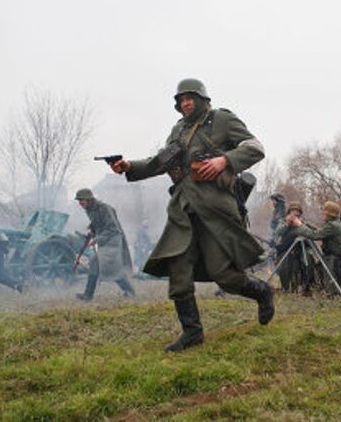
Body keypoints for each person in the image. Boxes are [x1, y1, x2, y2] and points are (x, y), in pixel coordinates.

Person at [109, 78, 273, 352]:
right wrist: (129, 166)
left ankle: (262, 292)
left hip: (215, 209)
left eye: (190, 98)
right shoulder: (178, 130)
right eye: (181, 99)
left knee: (226, 276)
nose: (185, 103)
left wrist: (225, 160)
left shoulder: (221, 119)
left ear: (202, 99)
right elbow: (160, 162)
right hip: (183, 209)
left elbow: (255, 147)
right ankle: (192, 332)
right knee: (179, 268)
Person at [74, 188, 135, 301]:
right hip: (105, 240)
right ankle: (88, 295)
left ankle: (129, 292)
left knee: (110, 268)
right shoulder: (90, 209)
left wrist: (97, 239)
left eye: (81, 200)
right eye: (79, 201)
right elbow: (99, 222)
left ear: (88, 199)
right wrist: (92, 229)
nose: (80, 203)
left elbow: (113, 229)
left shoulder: (104, 208)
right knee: (100, 265)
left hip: (112, 241)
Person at [291, 201, 341, 295]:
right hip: (338, 257)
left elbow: (315, 235)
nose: (322, 213)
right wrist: (306, 225)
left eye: (324, 211)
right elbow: (321, 231)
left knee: (332, 285)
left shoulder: (332, 226)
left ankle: (336, 295)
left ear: (329, 213)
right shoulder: (337, 223)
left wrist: (299, 225)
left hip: (333, 258)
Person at [273, 201, 307, 292]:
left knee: (305, 262)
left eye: (297, 211)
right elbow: (278, 232)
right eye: (293, 210)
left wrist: (301, 225)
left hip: (299, 248)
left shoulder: (302, 222)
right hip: (285, 249)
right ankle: (286, 287)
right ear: (289, 212)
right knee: (284, 265)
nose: (295, 213)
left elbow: (308, 233)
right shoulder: (283, 221)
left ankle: (302, 286)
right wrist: (287, 223)